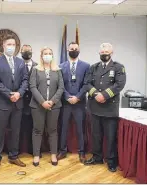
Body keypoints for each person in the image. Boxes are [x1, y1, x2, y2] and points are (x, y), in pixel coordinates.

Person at [84, 43, 126, 172]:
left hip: (109, 108)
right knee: (96, 135)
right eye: (102, 52)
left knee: (110, 136)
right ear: (99, 53)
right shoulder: (94, 67)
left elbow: (119, 84)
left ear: (111, 53)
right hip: (95, 106)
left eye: (106, 52)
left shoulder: (119, 67)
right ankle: (97, 158)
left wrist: (104, 95)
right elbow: (87, 83)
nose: (104, 54)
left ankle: (111, 161)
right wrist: (96, 94)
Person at [0, 35, 28, 171]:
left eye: (13, 45)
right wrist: (9, 94)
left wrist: (19, 93)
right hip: (2, 103)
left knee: (16, 132)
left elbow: (25, 80)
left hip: (18, 102)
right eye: (9, 44)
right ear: (3, 46)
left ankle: (13, 156)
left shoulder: (20, 62)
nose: (11, 47)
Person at [29, 47, 64, 166]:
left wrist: (52, 101)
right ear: (41, 56)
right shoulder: (35, 69)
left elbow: (61, 88)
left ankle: (53, 154)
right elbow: (32, 87)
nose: (47, 55)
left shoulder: (58, 70)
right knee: (37, 130)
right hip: (37, 105)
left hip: (54, 106)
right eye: (45, 53)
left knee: (53, 130)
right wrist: (42, 102)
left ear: (52, 56)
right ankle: (36, 155)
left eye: (50, 53)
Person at [58, 42, 90, 163]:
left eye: (76, 49)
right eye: (72, 49)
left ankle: (82, 152)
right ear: (67, 50)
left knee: (80, 128)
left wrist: (77, 97)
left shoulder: (86, 66)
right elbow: (60, 84)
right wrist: (67, 96)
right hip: (65, 103)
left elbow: (86, 84)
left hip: (80, 103)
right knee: (63, 127)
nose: (74, 50)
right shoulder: (60, 66)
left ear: (79, 50)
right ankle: (62, 150)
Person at [19, 44, 37, 155]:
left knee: (33, 127)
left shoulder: (37, 66)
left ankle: (32, 149)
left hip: (34, 101)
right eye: (24, 51)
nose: (27, 52)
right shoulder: (16, 65)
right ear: (21, 52)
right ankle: (18, 150)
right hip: (19, 101)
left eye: (29, 51)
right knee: (19, 127)